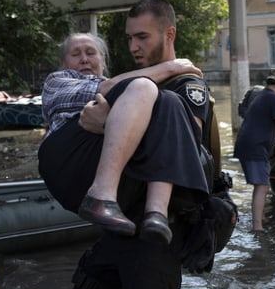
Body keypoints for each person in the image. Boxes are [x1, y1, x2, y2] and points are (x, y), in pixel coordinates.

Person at [57, 0, 217, 289]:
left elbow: (186, 144)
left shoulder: (185, 84)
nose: (133, 46)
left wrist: (106, 124)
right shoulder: (134, 82)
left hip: (158, 236)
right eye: (129, 38)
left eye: (142, 37)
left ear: (169, 34)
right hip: (120, 225)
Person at [38, 32, 209, 244]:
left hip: (117, 169)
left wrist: (106, 122)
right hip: (68, 161)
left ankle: (156, 213)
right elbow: (108, 88)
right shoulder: (57, 81)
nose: (84, 59)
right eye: (75, 54)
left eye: (91, 53)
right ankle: (101, 194)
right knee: (144, 86)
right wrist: (171, 67)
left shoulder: (126, 95)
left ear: (103, 59)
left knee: (169, 101)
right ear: (63, 63)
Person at [234, 68, 275, 232]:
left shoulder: (262, 96)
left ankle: (260, 218)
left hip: (248, 143)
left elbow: (263, 123)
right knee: (262, 186)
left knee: (262, 185)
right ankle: (258, 226)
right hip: (255, 146)